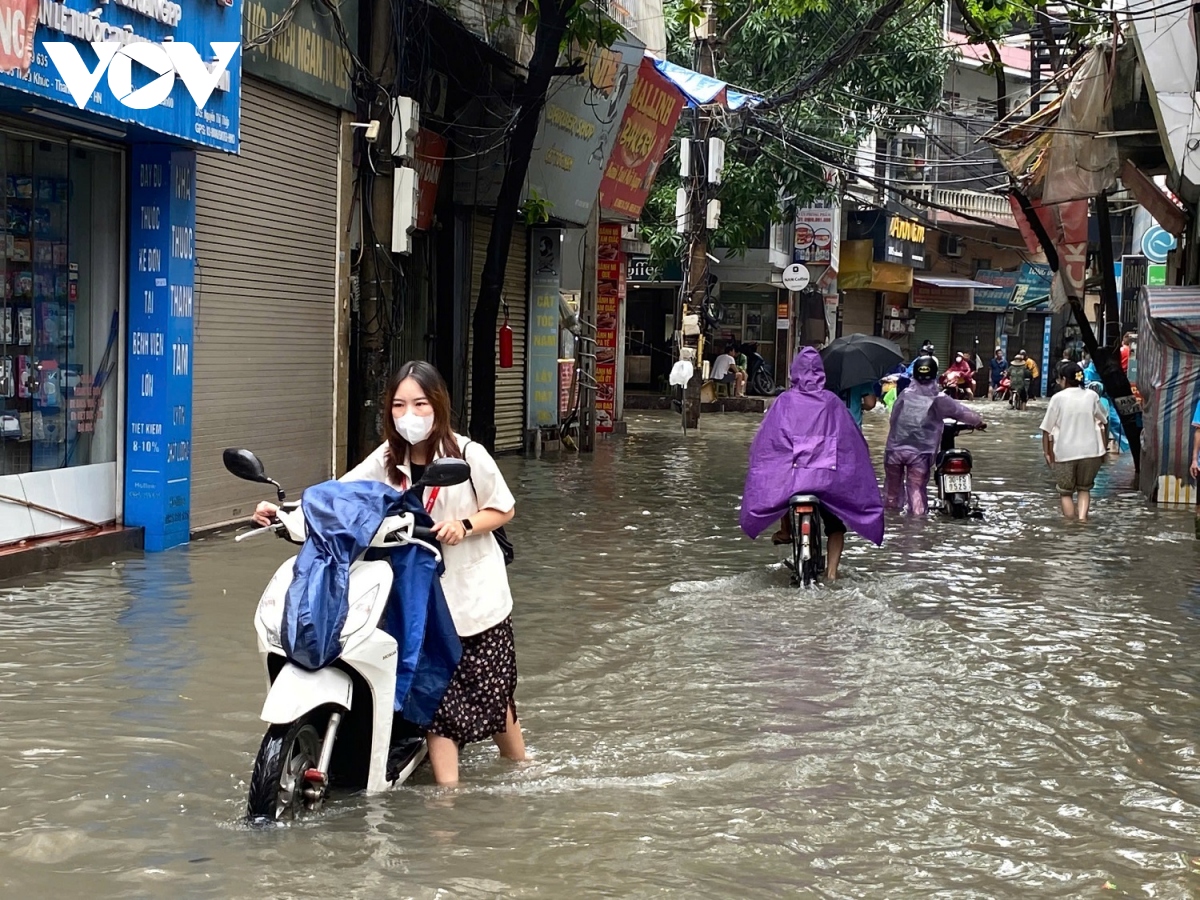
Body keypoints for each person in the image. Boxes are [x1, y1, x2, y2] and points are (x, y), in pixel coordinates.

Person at [254, 361, 524, 785]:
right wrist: (286, 512)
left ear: (438, 405)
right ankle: (447, 802)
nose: (408, 415)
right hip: (414, 595)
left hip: (471, 597)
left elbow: (503, 507)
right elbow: (341, 496)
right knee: (440, 702)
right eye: (399, 405)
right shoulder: (386, 458)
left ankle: (515, 771)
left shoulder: (467, 454)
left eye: (419, 403)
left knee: (492, 694)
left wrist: (465, 525)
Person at [740, 348, 884, 581]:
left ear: (794, 372)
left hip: (795, 481)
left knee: (779, 488)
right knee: (835, 527)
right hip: (826, 481)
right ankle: (832, 574)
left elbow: (767, 442)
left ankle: (786, 531)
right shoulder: (832, 402)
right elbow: (851, 442)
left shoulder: (784, 401)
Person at [884, 355, 984, 516]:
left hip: (894, 450)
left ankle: (891, 523)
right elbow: (962, 413)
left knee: (891, 491)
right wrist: (979, 422)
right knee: (916, 489)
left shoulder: (905, 394)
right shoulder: (939, 398)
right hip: (920, 453)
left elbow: (893, 419)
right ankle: (917, 529)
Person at [1040, 361, 1108, 522]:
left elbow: (1046, 430)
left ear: (1064, 379)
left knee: (1065, 492)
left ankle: (1070, 526)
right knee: (1084, 489)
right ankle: (1083, 520)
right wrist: (1104, 449)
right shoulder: (1092, 396)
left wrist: (1047, 453)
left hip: (1065, 453)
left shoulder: (1058, 398)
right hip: (1091, 453)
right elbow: (1104, 420)